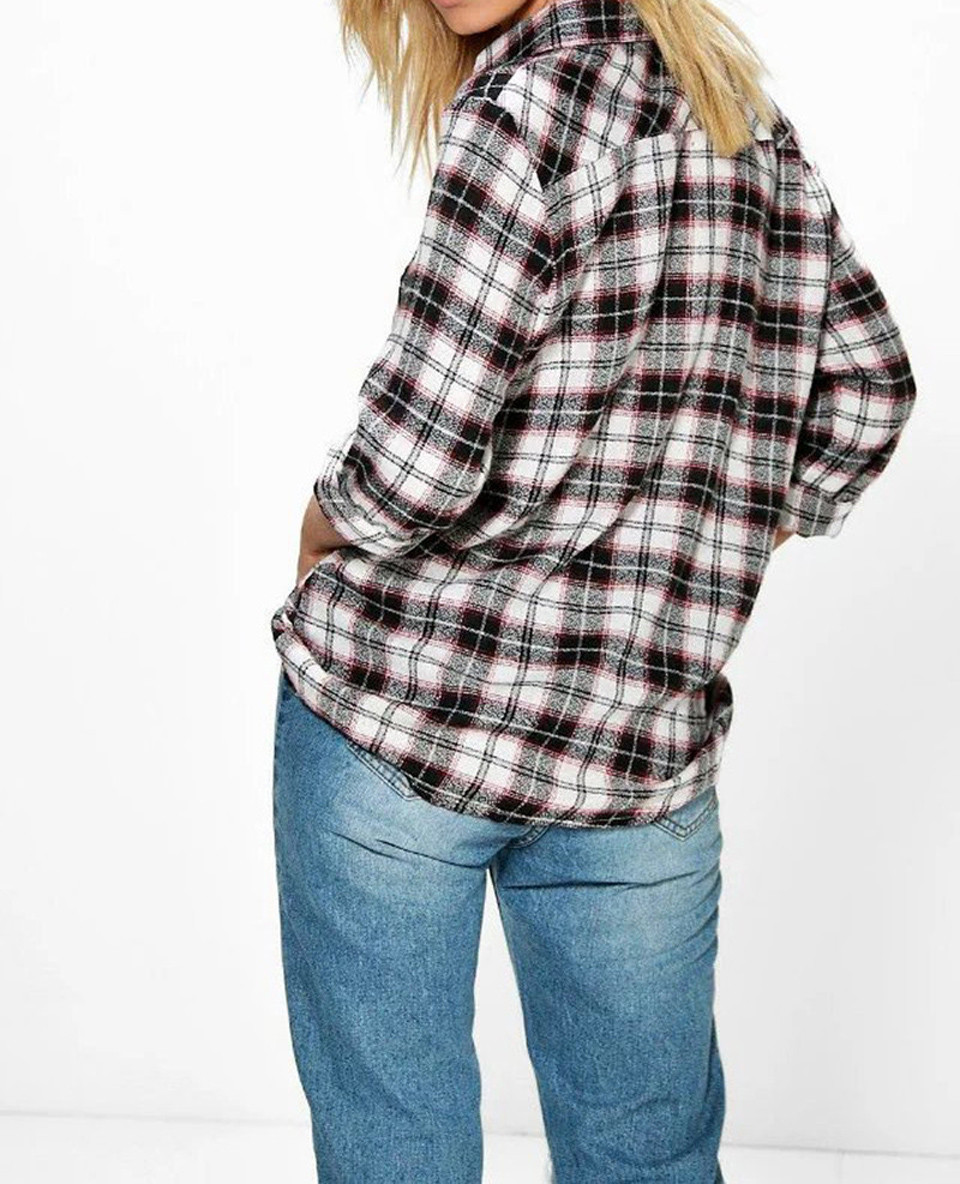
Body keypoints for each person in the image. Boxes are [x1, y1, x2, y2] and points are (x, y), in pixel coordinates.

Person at [269, 0, 917, 1179]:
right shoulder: (746, 121)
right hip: (635, 742)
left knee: (394, 1143)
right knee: (645, 1155)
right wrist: (719, 528)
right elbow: (871, 391)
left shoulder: (521, 111)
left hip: (399, 720)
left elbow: (415, 464)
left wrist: (323, 521)